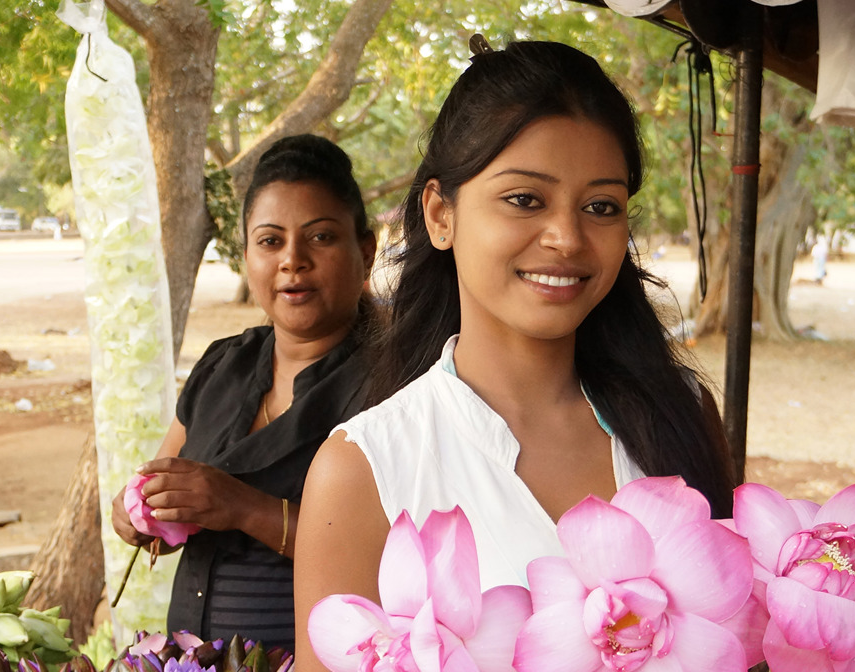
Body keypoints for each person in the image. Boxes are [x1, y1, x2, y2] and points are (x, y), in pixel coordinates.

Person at [291, 40, 735, 665]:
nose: (567, 237)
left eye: (600, 206)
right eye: (526, 199)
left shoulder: (683, 414)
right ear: (441, 215)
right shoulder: (366, 469)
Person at [109, 135, 377, 649]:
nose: (292, 260)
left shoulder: (395, 384)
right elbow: (170, 496)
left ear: (364, 248)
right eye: (270, 241)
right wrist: (139, 514)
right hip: (191, 656)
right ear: (247, 252)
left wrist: (243, 507)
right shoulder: (222, 365)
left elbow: (383, 554)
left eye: (320, 238)